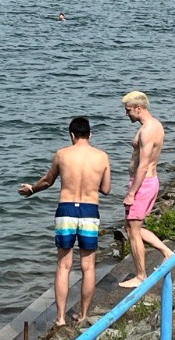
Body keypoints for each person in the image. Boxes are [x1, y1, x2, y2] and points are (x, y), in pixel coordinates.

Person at [19, 116, 111, 325]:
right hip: (89, 210)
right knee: (88, 266)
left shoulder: (62, 154)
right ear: (90, 135)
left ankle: (60, 318)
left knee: (63, 265)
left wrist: (31, 189)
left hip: (66, 210)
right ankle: (83, 315)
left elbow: (48, 181)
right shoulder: (102, 157)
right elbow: (106, 189)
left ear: (71, 135)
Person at [119, 91, 173, 288]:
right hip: (149, 182)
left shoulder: (147, 130)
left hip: (142, 185)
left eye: (128, 111)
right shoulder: (155, 125)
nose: (127, 115)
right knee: (133, 228)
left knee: (133, 231)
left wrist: (131, 192)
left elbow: (143, 165)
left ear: (138, 108)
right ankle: (167, 252)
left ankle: (140, 276)